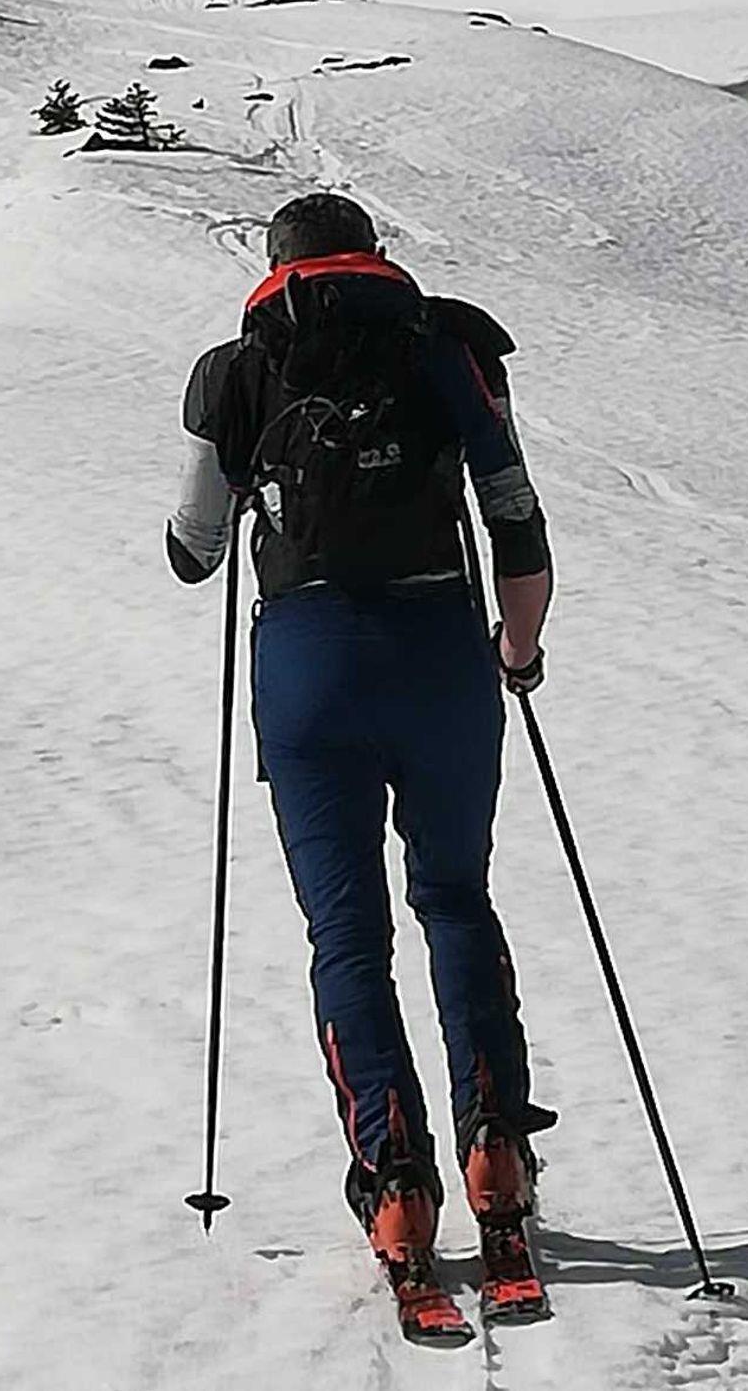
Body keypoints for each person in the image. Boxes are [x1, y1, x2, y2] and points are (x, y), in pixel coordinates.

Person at [166, 192, 555, 1335]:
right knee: (455, 898)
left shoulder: (233, 369)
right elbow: (515, 519)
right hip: (440, 656)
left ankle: (394, 1183)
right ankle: (494, 1153)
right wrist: (516, 652)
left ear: (274, 268)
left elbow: (194, 548)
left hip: (307, 668)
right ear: (374, 258)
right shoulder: (445, 346)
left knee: (347, 935)